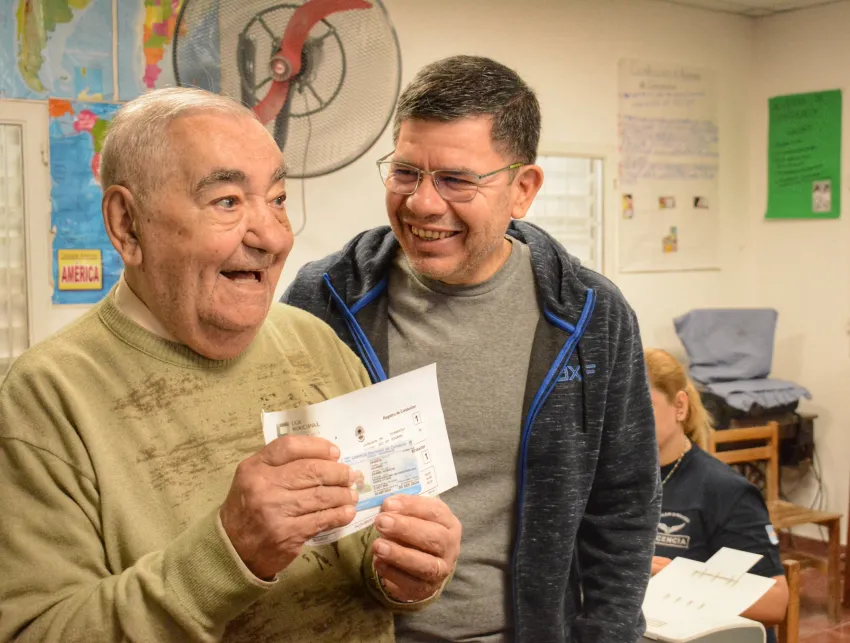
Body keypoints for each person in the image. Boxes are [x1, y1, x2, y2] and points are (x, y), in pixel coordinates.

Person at [0, 87, 461, 643]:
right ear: (128, 225)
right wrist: (229, 552)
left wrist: (402, 571)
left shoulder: (315, 342)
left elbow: (368, 546)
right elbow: (38, 631)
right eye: (227, 201)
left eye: (278, 199)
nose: (273, 237)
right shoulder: (46, 395)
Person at [284, 55, 660, 642]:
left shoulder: (590, 315)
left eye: (456, 180)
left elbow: (624, 506)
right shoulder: (326, 298)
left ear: (522, 189)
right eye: (405, 172)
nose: (422, 203)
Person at [645, 348, 789, 642]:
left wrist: (679, 580)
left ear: (680, 406)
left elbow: (776, 602)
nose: (626, 421)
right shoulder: (613, 481)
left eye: (641, 405)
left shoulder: (725, 490)